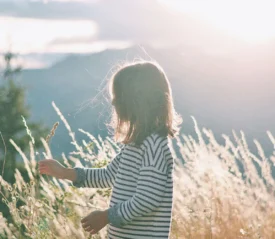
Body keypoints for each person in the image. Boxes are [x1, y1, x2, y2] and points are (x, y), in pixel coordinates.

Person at [38, 61, 182, 239]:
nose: (113, 102)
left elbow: (146, 200)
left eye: (118, 97)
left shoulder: (154, 147)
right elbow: (108, 175)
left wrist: (106, 216)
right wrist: (65, 173)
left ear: (137, 101)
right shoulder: (135, 145)